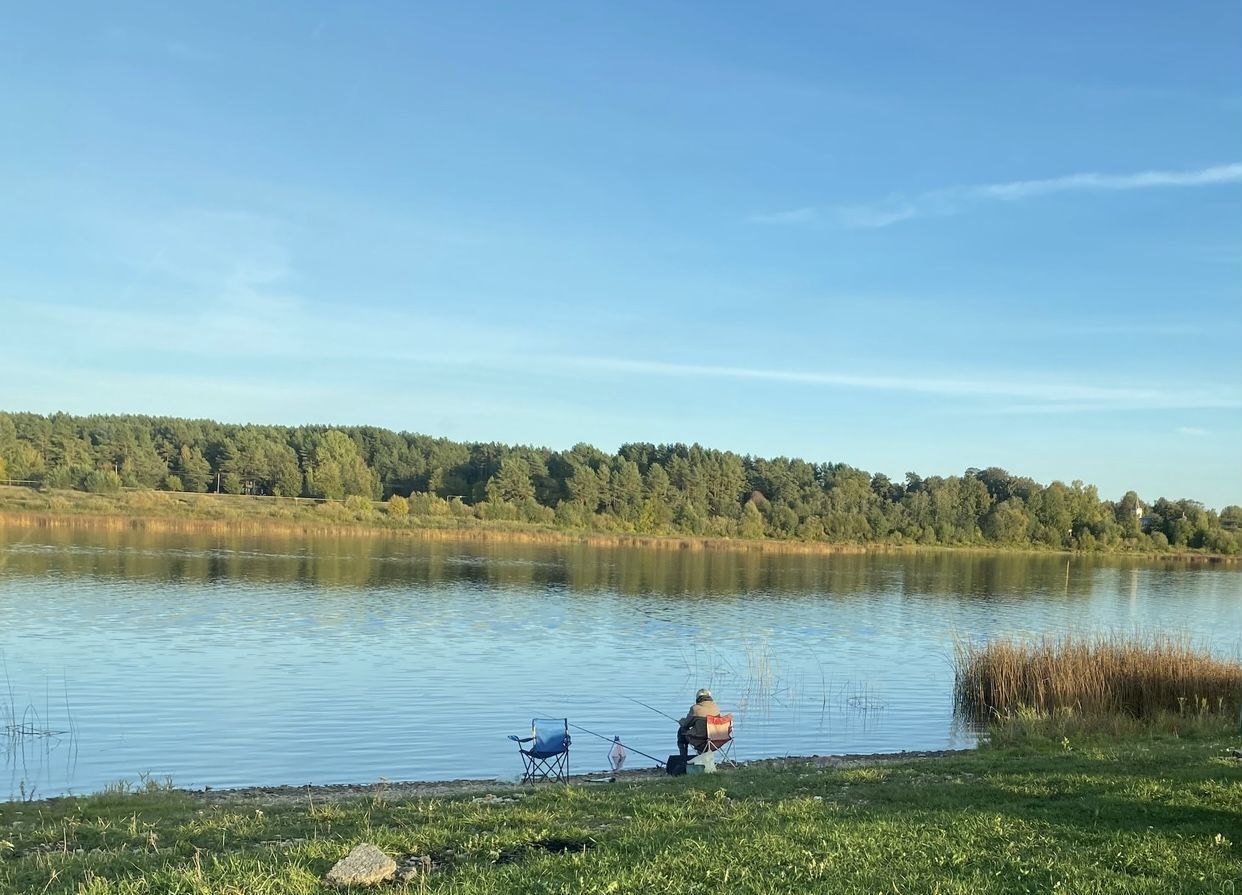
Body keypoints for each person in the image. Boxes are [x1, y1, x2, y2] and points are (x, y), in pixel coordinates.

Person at [677, 687, 721, 758]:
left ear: (697, 697)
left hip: (702, 741)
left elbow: (686, 724)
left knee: (681, 731)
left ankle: (683, 759)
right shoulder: (716, 707)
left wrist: (681, 721)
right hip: (716, 741)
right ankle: (702, 756)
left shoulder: (695, 708)